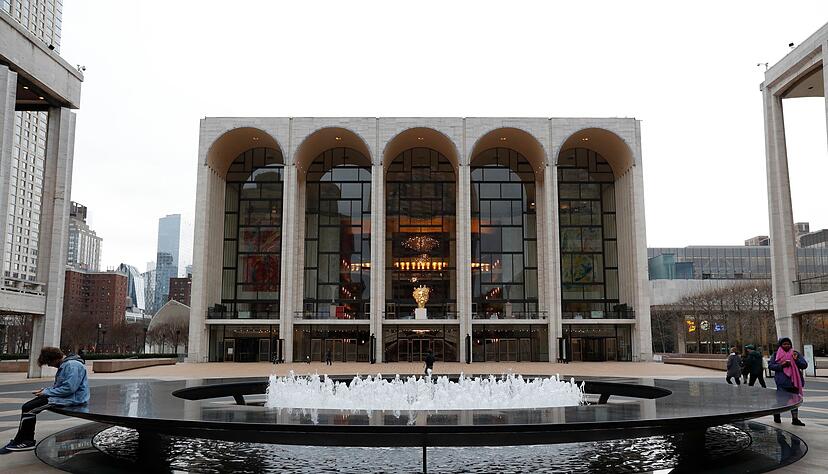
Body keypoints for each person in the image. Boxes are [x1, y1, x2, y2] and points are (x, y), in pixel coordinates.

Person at [0, 347, 89, 453]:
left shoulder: (71, 366)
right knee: (27, 407)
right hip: (65, 396)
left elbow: (69, 388)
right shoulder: (67, 365)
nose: (50, 365)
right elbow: (62, 386)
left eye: (49, 363)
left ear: (55, 359)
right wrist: (45, 390)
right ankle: (20, 439)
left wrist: (47, 392)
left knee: (29, 409)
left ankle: (26, 441)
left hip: (71, 399)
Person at [768, 337, 807, 426]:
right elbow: (771, 366)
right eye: (784, 344)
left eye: (788, 344)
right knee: (781, 401)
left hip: (794, 381)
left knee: (795, 401)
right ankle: (776, 414)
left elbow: (804, 365)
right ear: (780, 345)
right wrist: (782, 365)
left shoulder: (795, 353)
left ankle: (795, 419)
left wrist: (796, 360)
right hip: (782, 382)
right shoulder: (776, 354)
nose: (787, 346)